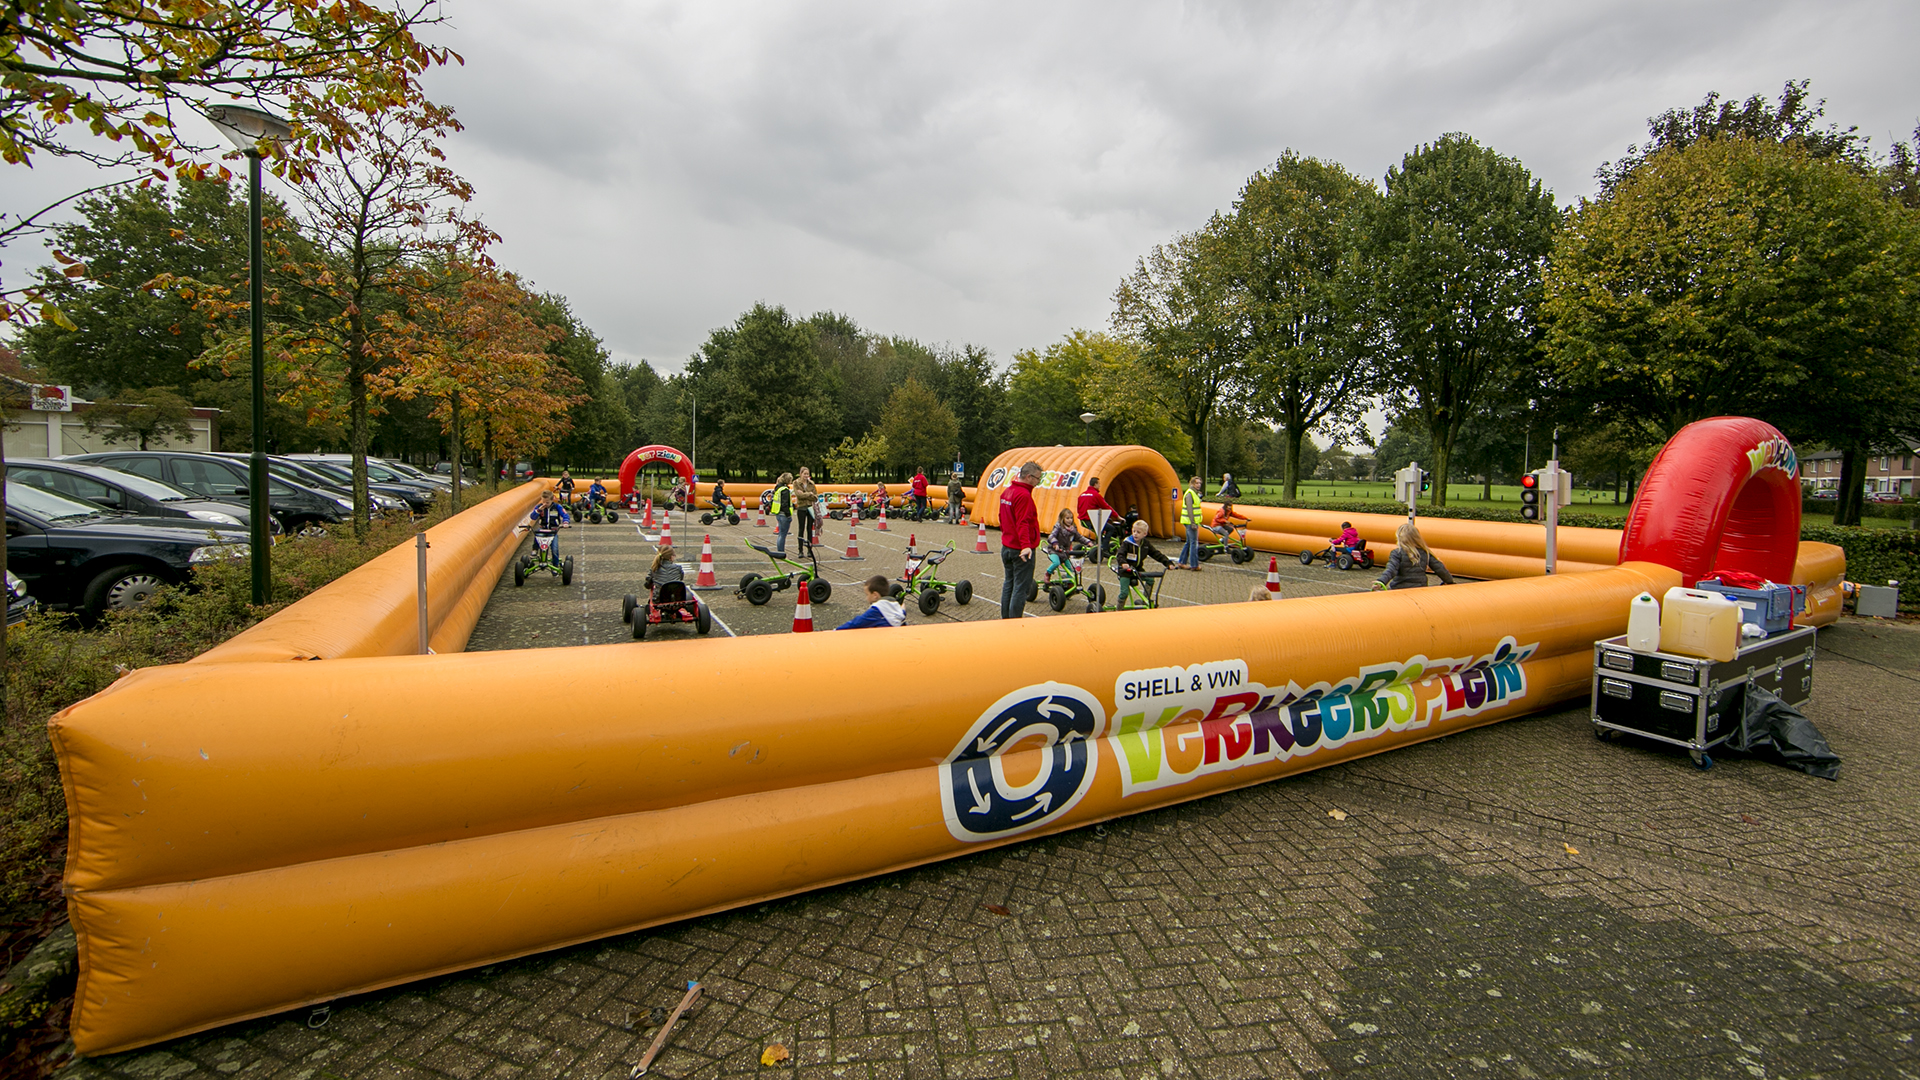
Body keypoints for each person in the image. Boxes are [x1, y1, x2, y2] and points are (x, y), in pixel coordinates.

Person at [998, 460, 1042, 619]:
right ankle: (1015, 622)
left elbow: (1001, 518)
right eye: (1038, 479)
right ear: (1029, 477)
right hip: (1020, 549)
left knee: (1009, 583)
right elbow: (1022, 522)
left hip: (1007, 547)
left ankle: (1006, 619)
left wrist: (1006, 536)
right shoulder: (1023, 495)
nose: (1038, 482)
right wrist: (1026, 546)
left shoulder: (1007, 492)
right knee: (1020, 587)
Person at [1372, 521, 1456, 591]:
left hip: (1400, 589)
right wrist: (1449, 581)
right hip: (1420, 589)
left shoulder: (1397, 553)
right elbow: (1439, 568)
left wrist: (1381, 582)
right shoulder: (1424, 552)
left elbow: (1391, 569)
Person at [1113, 519, 1171, 608]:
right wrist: (1123, 563)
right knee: (1124, 592)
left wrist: (1168, 563)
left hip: (1138, 569)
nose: (1135, 533)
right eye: (1134, 531)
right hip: (1125, 571)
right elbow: (1120, 554)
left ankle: (1145, 600)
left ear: (1144, 534)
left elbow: (1156, 554)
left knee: (1150, 580)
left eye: (1138, 532)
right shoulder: (1127, 543)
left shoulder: (1145, 544)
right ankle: (1119, 609)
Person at [836, 574, 906, 630]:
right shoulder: (894, 606)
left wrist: (835, 630)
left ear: (875, 595)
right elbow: (902, 612)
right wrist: (903, 609)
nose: (866, 598)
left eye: (867, 594)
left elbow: (856, 623)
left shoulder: (876, 611)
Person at [1044, 509, 1082, 580]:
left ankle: (1069, 582)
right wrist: (1055, 543)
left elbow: (1080, 537)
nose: (1070, 520)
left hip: (1064, 553)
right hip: (1054, 551)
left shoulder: (1072, 529)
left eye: (1071, 518)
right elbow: (1051, 536)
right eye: (1067, 518)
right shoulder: (1058, 527)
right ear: (1062, 519)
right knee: (1056, 563)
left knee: (1070, 568)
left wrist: (1089, 542)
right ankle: (1048, 573)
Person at [1176, 476, 1204, 570]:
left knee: (1189, 542)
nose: (1199, 485)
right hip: (1190, 521)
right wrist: (1193, 523)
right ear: (1192, 484)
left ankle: (1182, 562)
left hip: (1190, 521)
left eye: (1200, 483)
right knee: (1193, 543)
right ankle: (1194, 564)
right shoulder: (1190, 494)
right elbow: (1189, 509)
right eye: (1197, 483)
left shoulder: (1194, 493)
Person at [794, 467, 818, 555]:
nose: (806, 476)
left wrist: (806, 494)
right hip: (801, 507)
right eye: (804, 474)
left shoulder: (811, 483)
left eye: (807, 474)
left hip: (810, 507)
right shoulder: (796, 483)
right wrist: (809, 494)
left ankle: (809, 549)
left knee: (809, 528)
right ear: (800, 474)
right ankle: (800, 550)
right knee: (801, 528)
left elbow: (815, 496)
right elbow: (798, 495)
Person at [770, 472, 795, 557]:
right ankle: (781, 552)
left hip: (778, 513)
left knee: (781, 534)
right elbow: (785, 504)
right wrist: (788, 515)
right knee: (783, 534)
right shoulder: (785, 490)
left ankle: (779, 550)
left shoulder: (777, 488)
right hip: (784, 514)